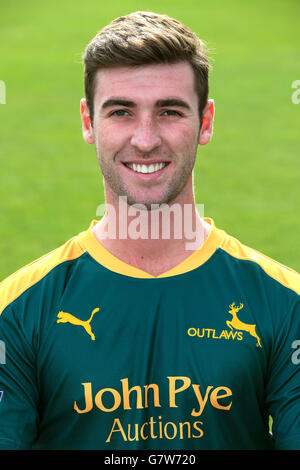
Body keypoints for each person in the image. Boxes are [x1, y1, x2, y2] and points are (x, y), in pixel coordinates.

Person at [0, 11, 299, 451]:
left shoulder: (284, 303)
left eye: (169, 111)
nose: (145, 139)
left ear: (206, 121)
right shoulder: (18, 309)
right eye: (121, 111)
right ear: (88, 122)